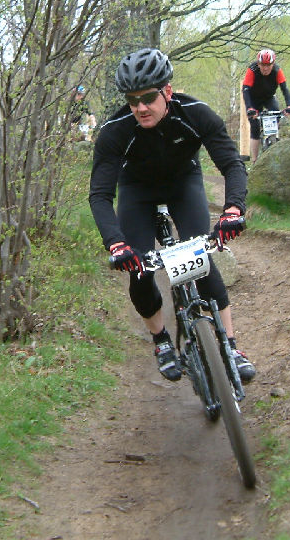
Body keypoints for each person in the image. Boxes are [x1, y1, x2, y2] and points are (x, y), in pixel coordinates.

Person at [89, 48, 256, 383]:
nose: (140, 107)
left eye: (148, 98)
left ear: (167, 91)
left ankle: (231, 345)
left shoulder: (195, 113)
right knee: (140, 272)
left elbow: (231, 164)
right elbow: (100, 195)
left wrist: (233, 208)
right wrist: (116, 243)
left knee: (199, 257)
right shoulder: (115, 130)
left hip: (183, 183)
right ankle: (161, 339)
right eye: (132, 100)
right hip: (137, 191)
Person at [242, 48, 290, 163]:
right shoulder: (252, 69)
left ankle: (273, 139)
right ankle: (255, 160)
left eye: (268, 65)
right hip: (253, 99)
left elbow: (285, 89)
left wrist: (289, 106)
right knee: (255, 126)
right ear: (258, 63)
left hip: (268, 98)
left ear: (273, 64)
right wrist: (250, 108)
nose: (265, 68)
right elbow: (245, 90)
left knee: (276, 113)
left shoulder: (277, 70)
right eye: (262, 65)